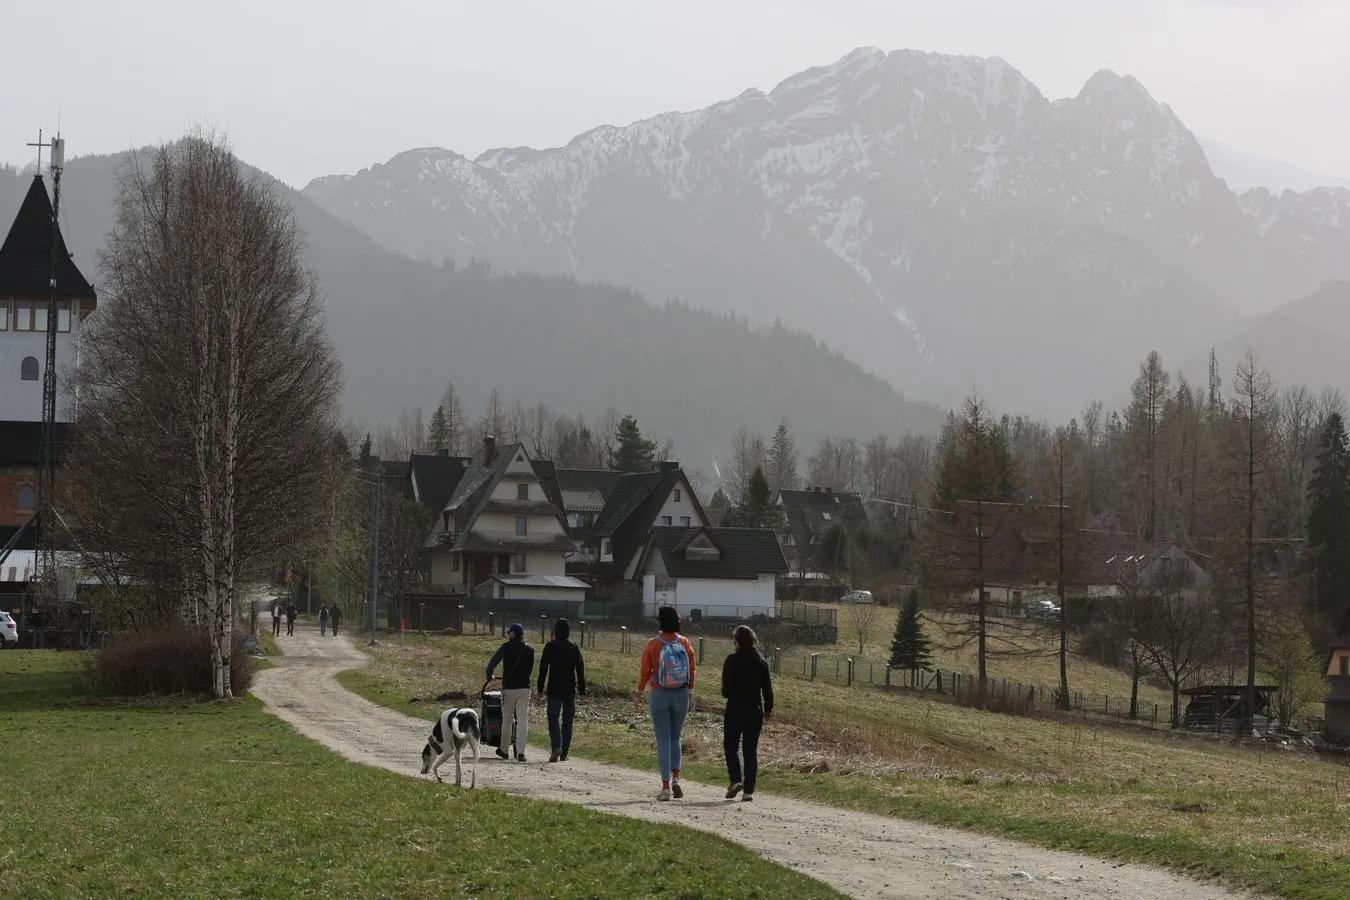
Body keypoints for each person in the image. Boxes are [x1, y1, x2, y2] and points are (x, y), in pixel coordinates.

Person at [635, 606, 696, 801]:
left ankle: (665, 787)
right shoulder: (684, 642)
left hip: (660, 693)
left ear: (660, 621)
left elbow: (645, 670)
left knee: (662, 738)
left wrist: (640, 690)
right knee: (675, 738)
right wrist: (690, 689)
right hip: (681, 693)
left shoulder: (653, 644)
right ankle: (676, 777)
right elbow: (692, 669)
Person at [721, 625, 773, 802]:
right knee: (750, 750)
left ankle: (735, 780)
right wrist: (768, 709)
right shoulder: (761, 662)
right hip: (754, 710)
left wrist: (730, 691)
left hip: (735, 708)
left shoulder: (731, 660)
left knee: (731, 746)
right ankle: (749, 790)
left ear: (737, 642)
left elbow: (726, 691)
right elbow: (767, 689)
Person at [536, 618, 586, 762]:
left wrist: (540, 688)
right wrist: (582, 689)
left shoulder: (550, 646)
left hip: (554, 688)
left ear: (556, 631)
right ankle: (564, 751)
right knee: (567, 720)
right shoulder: (573, 647)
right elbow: (580, 669)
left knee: (553, 719)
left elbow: (543, 669)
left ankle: (555, 747)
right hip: (569, 689)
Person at [486, 623, 535, 762]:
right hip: (524, 689)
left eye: (509, 633)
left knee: (507, 719)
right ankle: (521, 753)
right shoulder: (530, 649)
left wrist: (490, 676)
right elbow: (530, 669)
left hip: (509, 688)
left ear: (513, 634)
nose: (508, 635)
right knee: (522, 720)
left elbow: (492, 663)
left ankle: (504, 750)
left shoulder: (505, 647)